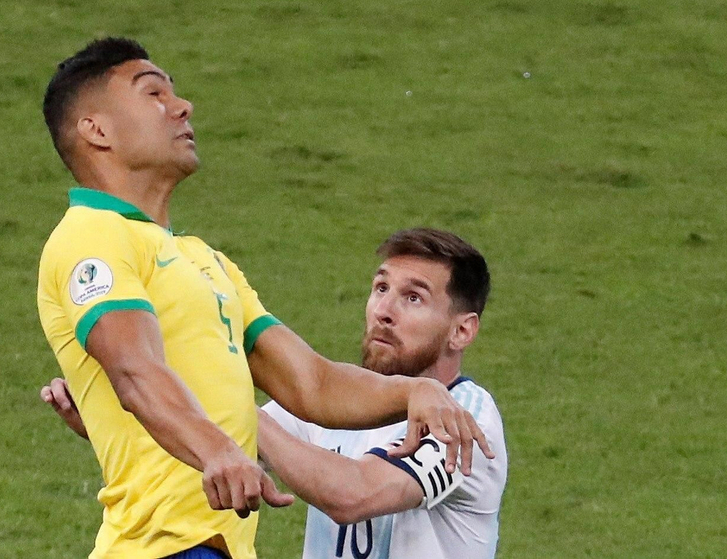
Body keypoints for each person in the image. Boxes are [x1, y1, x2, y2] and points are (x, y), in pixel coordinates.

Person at [36, 38, 491, 559]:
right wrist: (217, 449)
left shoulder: (207, 262)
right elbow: (135, 371)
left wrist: (413, 392)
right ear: (96, 130)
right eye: (154, 94)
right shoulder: (90, 237)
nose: (183, 107)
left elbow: (312, 383)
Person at [46, 227, 507, 559]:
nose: (384, 310)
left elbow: (354, 495)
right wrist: (113, 418)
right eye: (381, 287)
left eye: (413, 298)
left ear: (462, 331)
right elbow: (217, 457)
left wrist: (235, 410)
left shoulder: (464, 419)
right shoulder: (344, 408)